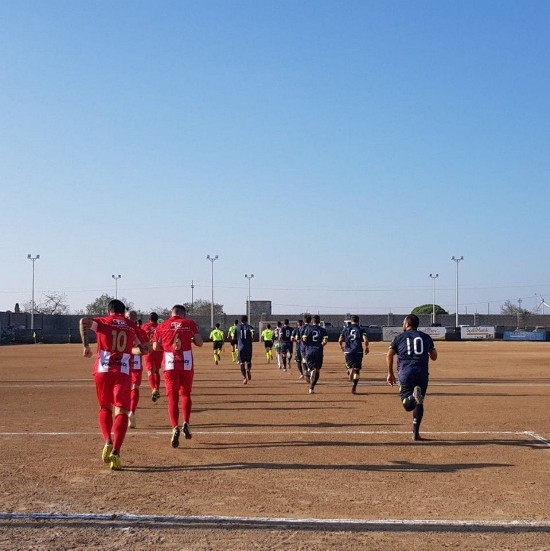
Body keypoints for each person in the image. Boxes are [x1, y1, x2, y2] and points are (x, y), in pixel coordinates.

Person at [79, 299, 149, 470]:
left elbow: (83, 321)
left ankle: (107, 441)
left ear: (108, 310)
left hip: (103, 369)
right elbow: (144, 349)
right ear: (123, 311)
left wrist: (86, 346)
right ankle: (116, 451)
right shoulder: (131, 325)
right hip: (123, 371)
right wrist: (132, 350)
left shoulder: (103, 321)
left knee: (105, 407)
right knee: (122, 411)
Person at [153, 304, 203, 448]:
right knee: (185, 394)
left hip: (170, 363)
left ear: (171, 314)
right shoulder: (189, 323)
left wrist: (167, 347)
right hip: (186, 363)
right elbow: (199, 343)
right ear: (183, 314)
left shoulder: (162, 326)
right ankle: (186, 422)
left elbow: (155, 347)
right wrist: (191, 340)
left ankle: (175, 427)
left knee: (172, 397)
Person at [386, 314, 438, 441]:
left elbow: (389, 355)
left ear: (407, 324)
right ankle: (415, 433)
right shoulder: (426, 337)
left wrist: (390, 373)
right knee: (419, 402)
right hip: (422, 373)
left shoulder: (399, 337)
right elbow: (434, 357)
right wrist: (429, 350)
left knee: (408, 405)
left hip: (406, 372)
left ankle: (413, 396)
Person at [126, 310, 149, 428]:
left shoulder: (121, 328)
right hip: (135, 360)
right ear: (136, 319)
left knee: (121, 386)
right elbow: (146, 348)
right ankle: (132, 411)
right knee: (135, 386)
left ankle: (122, 412)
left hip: (120, 360)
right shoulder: (140, 331)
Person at [339, 315, 369, 394]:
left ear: (351, 321)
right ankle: (354, 387)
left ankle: (349, 369)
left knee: (348, 364)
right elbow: (365, 340)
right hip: (358, 351)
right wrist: (367, 347)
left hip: (348, 350)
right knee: (357, 370)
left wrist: (341, 346)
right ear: (358, 321)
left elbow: (340, 340)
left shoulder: (346, 328)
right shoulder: (361, 329)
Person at [301, 315, 328, 394]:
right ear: (319, 322)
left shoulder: (307, 329)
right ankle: (311, 387)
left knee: (310, 366)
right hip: (318, 351)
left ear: (312, 321)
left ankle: (310, 370)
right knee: (317, 370)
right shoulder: (323, 330)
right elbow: (325, 341)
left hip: (309, 351)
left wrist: (307, 345)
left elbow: (304, 339)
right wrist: (321, 345)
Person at [141, 312, 163, 402]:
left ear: (149, 319)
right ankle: (157, 389)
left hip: (149, 350)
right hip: (158, 350)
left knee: (150, 372)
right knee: (157, 371)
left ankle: (154, 389)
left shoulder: (145, 326)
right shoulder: (160, 327)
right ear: (157, 319)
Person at [236, 314, 254, 384]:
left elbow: (235, 336)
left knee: (241, 362)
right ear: (247, 320)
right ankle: (248, 369)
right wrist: (252, 337)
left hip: (240, 347)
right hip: (248, 346)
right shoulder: (249, 327)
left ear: (241, 320)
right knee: (248, 361)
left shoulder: (238, 327)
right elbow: (252, 332)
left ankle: (244, 377)